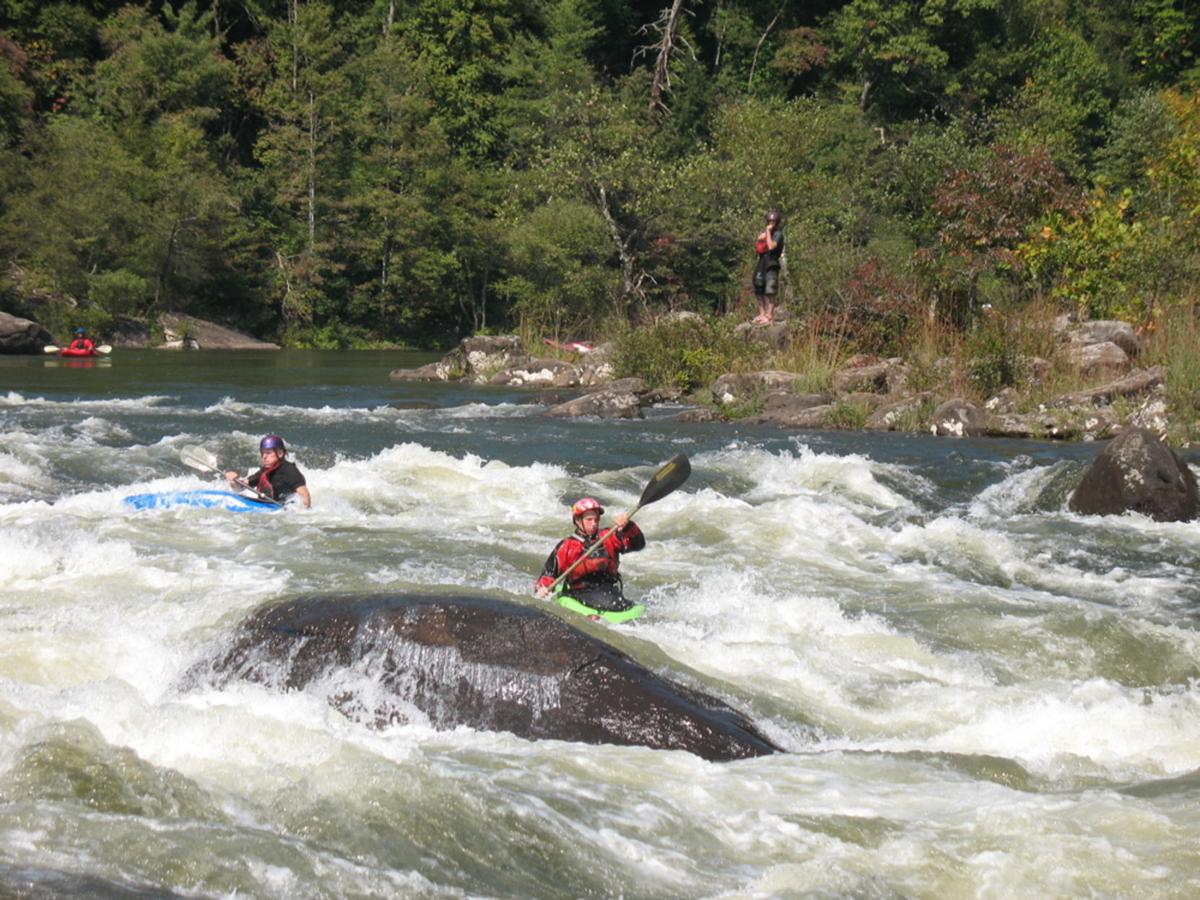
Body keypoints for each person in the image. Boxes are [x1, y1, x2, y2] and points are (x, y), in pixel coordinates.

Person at [535, 497, 645, 613]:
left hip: (609, 590)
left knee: (616, 603)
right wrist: (543, 589)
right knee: (608, 602)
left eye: (596, 519)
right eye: (589, 519)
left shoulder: (609, 536)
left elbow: (639, 545)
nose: (594, 524)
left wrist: (628, 526)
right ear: (577, 520)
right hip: (580, 592)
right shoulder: (566, 546)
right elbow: (548, 574)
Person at [225, 434, 311, 508]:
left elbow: (304, 495)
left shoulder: (289, 470)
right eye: (262, 453)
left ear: (280, 453)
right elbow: (240, 488)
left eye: (268, 453)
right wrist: (233, 481)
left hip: (284, 510)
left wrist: (301, 516)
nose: (264, 457)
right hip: (267, 508)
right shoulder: (265, 471)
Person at [752, 209, 784, 324]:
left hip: (772, 262)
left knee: (770, 288)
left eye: (773, 221)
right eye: (769, 221)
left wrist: (768, 233)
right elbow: (759, 241)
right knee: (758, 286)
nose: (771, 223)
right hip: (762, 261)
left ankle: (769, 315)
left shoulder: (778, 234)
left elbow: (771, 246)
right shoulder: (766, 233)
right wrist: (764, 235)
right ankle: (762, 314)